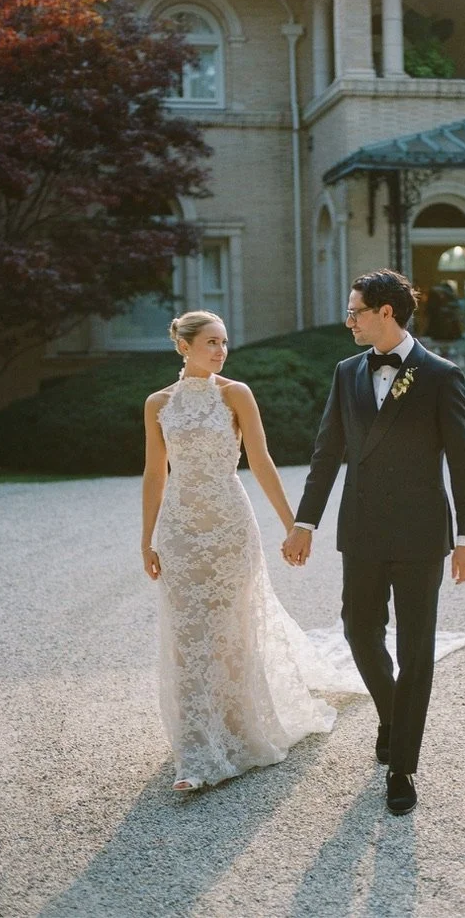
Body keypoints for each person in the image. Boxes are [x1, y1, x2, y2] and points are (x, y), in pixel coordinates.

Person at [282, 269, 465, 815]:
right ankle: (392, 714)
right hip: (363, 528)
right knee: (358, 630)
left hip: (421, 534)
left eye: (356, 311)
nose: (349, 321)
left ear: (385, 312)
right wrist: (306, 522)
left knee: (416, 650)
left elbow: (463, 464)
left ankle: (402, 767)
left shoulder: (440, 376)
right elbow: (327, 453)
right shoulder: (347, 372)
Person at [141, 310, 340, 793]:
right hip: (180, 532)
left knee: (232, 630)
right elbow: (154, 473)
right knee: (188, 634)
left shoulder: (237, 394)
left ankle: (237, 731)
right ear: (184, 346)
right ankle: (194, 749)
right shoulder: (157, 403)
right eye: (211, 342)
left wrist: (294, 525)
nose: (221, 351)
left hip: (231, 528)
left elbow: (261, 460)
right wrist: (147, 538)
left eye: (224, 342)